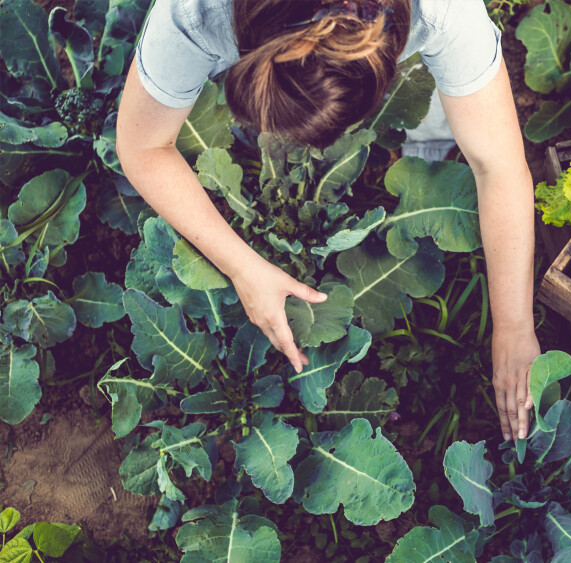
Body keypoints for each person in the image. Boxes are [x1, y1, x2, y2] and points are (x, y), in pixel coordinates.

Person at [116, 0, 540, 442]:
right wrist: (243, 267)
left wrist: (514, 326)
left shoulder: (443, 11)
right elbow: (142, 146)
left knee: (448, 111)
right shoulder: (196, 11)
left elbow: (500, 168)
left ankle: (430, 123)